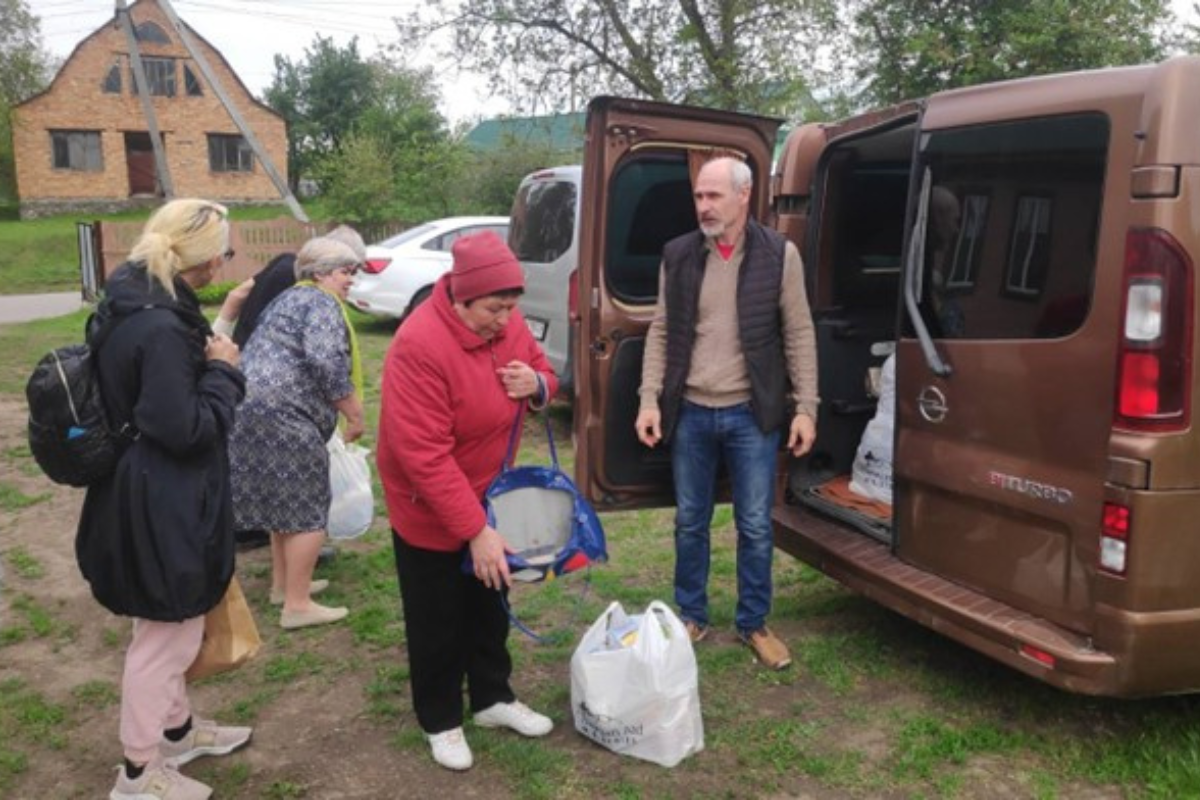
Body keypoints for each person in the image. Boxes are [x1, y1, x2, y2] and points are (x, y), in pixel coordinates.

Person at [75, 198, 252, 800]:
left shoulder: (134, 302)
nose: (223, 267)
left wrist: (212, 348)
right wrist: (225, 371)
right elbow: (185, 429)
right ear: (198, 262)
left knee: (167, 622)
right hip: (161, 496)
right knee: (166, 637)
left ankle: (176, 734)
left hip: (141, 485)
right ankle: (137, 772)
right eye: (222, 255)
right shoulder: (161, 325)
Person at [377, 230, 559, 772]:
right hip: (428, 505)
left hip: (490, 493)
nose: (504, 320)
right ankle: (440, 719)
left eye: (511, 307)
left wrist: (539, 384)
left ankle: (492, 699)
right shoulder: (419, 345)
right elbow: (424, 456)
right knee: (437, 617)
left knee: (489, 604)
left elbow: (544, 372)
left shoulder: (508, 319)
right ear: (461, 297)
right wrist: (475, 530)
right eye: (493, 309)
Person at [635, 156, 819, 671]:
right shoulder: (678, 255)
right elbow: (662, 329)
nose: (703, 206)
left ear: (745, 196)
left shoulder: (779, 254)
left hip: (750, 413)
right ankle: (690, 616)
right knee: (690, 521)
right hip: (690, 410)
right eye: (698, 196)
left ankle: (754, 623)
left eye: (714, 196)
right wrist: (649, 399)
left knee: (756, 524)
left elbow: (800, 332)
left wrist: (806, 407)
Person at [227, 236, 366, 629]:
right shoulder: (320, 302)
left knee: (281, 504)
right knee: (307, 509)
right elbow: (326, 363)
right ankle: (298, 605)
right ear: (320, 273)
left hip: (250, 410)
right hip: (284, 416)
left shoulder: (289, 298)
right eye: (345, 271)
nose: (350, 280)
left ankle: (283, 586)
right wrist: (354, 413)